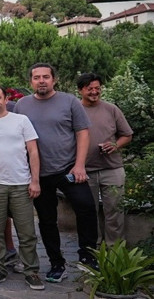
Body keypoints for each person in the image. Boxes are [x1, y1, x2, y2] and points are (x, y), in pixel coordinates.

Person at [14, 63, 99, 281]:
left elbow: (82, 133)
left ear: (54, 79)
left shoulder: (69, 101)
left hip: (68, 168)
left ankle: (88, 256)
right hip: (39, 174)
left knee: (87, 209)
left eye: (45, 77)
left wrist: (80, 165)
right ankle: (56, 263)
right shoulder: (22, 105)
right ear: (30, 81)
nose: (41, 80)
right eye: (36, 77)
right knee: (46, 219)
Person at [0, 86, 44, 290]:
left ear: (6, 99)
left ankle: (31, 271)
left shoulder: (21, 121)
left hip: (21, 183)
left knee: (27, 231)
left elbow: (33, 151)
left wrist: (35, 180)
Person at [78, 72, 133, 246]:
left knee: (115, 212)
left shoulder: (111, 109)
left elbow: (127, 135)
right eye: (90, 89)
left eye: (97, 88)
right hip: (85, 171)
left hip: (112, 168)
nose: (94, 92)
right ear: (80, 90)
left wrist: (115, 145)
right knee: (89, 213)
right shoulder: (75, 110)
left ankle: (115, 251)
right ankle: (93, 252)